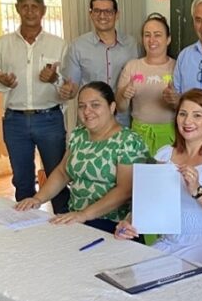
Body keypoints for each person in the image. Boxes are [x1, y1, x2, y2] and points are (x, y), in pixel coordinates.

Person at [114, 89, 202, 273]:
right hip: (172, 243)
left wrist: (198, 190)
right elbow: (150, 202)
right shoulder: (165, 155)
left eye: (197, 115)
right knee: (126, 275)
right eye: (183, 114)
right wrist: (130, 221)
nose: (187, 121)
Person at [15, 81, 149, 233]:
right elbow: (62, 173)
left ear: (112, 107)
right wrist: (37, 199)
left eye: (95, 105)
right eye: (82, 106)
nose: (87, 111)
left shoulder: (128, 141)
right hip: (76, 217)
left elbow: (125, 190)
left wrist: (84, 215)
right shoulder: (79, 134)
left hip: (113, 224)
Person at [0, 0, 74, 214]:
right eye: (24, 6)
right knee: (22, 181)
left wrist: (55, 78)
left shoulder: (58, 44)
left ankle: (64, 226)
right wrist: (1, 82)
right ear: (17, 9)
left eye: (35, 6)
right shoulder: (3, 44)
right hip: (15, 121)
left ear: (43, 10)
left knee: (59, 176)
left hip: (49, 119)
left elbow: (68, 85)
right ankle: (27, 231)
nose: (30, 11)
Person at [64, 0, 141, 126]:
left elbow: (140, 77)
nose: (102, 16)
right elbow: (72, 89)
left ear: (117, 15)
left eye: (108, 11)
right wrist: (66, 90)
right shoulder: (78, 46)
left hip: (121, 120)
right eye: (97, 11)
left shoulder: (132, 45)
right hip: (90, 119)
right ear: (91, 14)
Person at [115, 13, 177, 155]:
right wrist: (124, 94)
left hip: (170, 135)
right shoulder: (132, 66)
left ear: (168, 39)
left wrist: (176, 100)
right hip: (139, 135)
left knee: (165, 176)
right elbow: (121, 107)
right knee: (140, 176)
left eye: (157, 35)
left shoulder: (177, 67)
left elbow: (187, 106)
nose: (152, 40)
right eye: (147, 35)